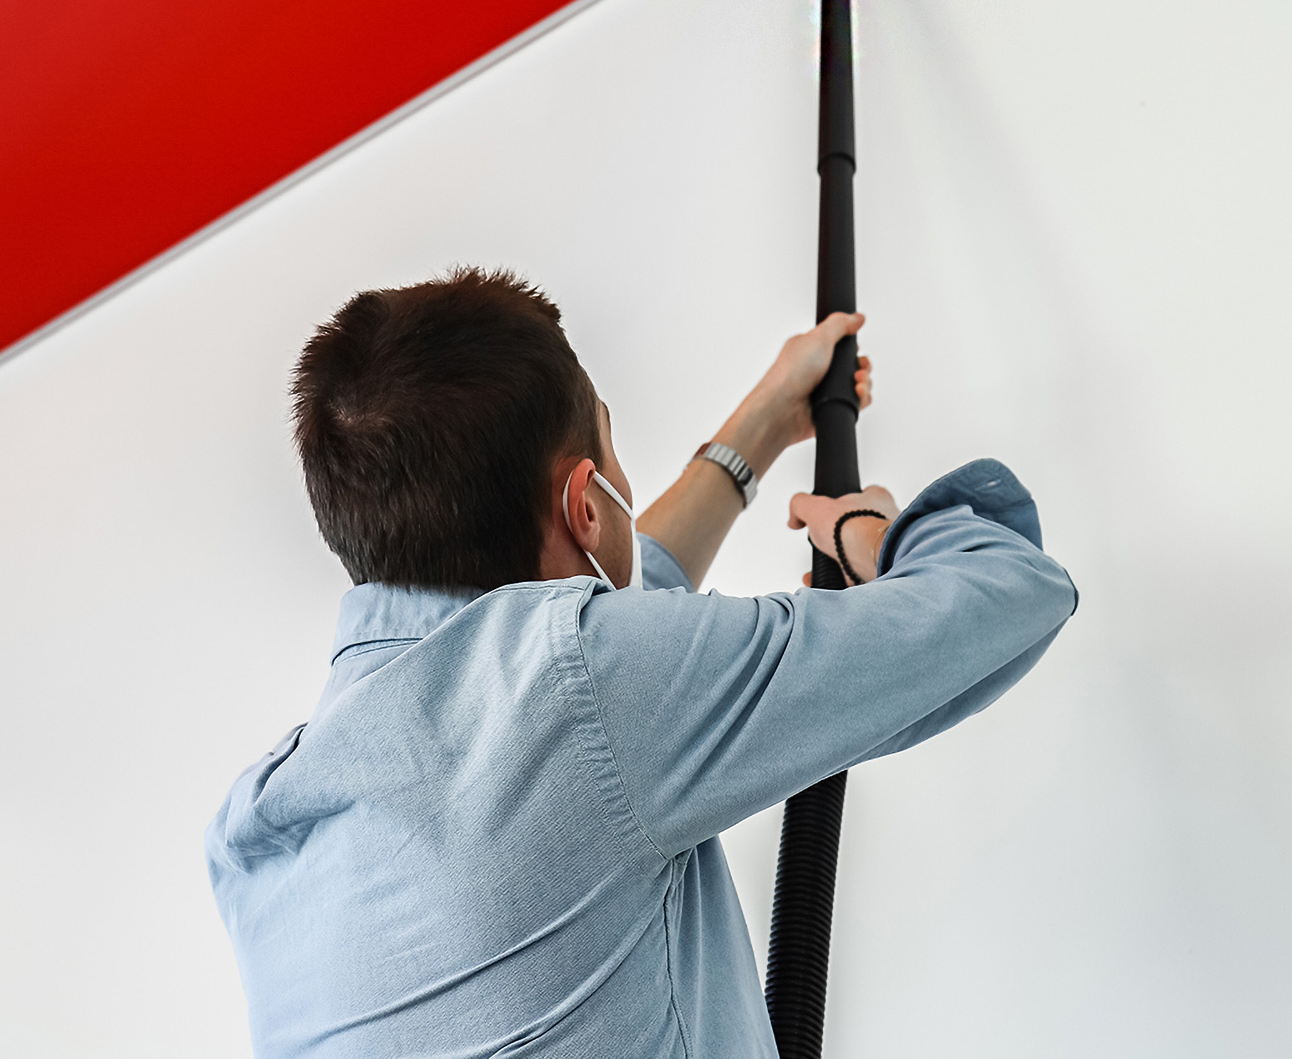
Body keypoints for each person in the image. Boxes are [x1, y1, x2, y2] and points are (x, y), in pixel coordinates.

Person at [206, 267, 1077, 1058]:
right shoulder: (586, 689)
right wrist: (867, 527)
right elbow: (1011, 590)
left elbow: (583, 637)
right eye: (610, 450)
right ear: (584, 503)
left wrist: (763, 427)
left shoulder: (258, 833)